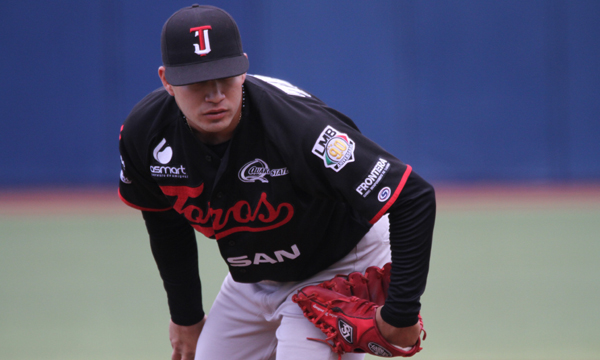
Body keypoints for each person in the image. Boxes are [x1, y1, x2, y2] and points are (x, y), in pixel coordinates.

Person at [118, 4, 436, 360]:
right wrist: (187, 317)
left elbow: (413, 196)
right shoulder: (146, 135)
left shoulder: (296, 127)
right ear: (167, 81)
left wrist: (400, 314)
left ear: (243, 69)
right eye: (196, 82)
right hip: (252, 279)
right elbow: (165, 219)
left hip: (338, 263)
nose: (214, 95)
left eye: (224, 75)